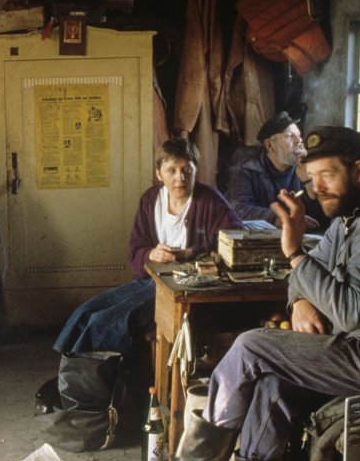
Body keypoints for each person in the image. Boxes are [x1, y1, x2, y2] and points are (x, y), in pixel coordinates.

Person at [130, 126, 360, 461]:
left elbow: (349, 310)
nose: (316, 188)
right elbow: (304, 277)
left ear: (358, 171)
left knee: (252, 346)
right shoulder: (349, 216)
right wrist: (301, 299)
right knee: (271, 384)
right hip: (352, 350)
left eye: (327, 176)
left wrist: (292, 253)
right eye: (312, 178)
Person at [53, 138, 243, 356]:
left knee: (104, 323)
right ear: (159, 173)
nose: (179, 178)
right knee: (85, 312)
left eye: (186, 170)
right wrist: (151, 253)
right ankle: (74, 372)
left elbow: (235, 240)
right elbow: (135, 249)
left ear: (195, 170)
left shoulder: (210, 200)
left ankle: (94, 378)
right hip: (150, 281)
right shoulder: (151, 200)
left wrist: (190, 253)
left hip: (184, 290)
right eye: (171, 170)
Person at [226, 111, 327, 231]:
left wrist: (308, 181)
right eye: (290, 136)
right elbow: (238, 208)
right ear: (270, 145)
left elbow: (323, 218)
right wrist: (278, 218)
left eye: (299, 135)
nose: (299, 140)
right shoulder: (247, 170)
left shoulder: (307, 168)